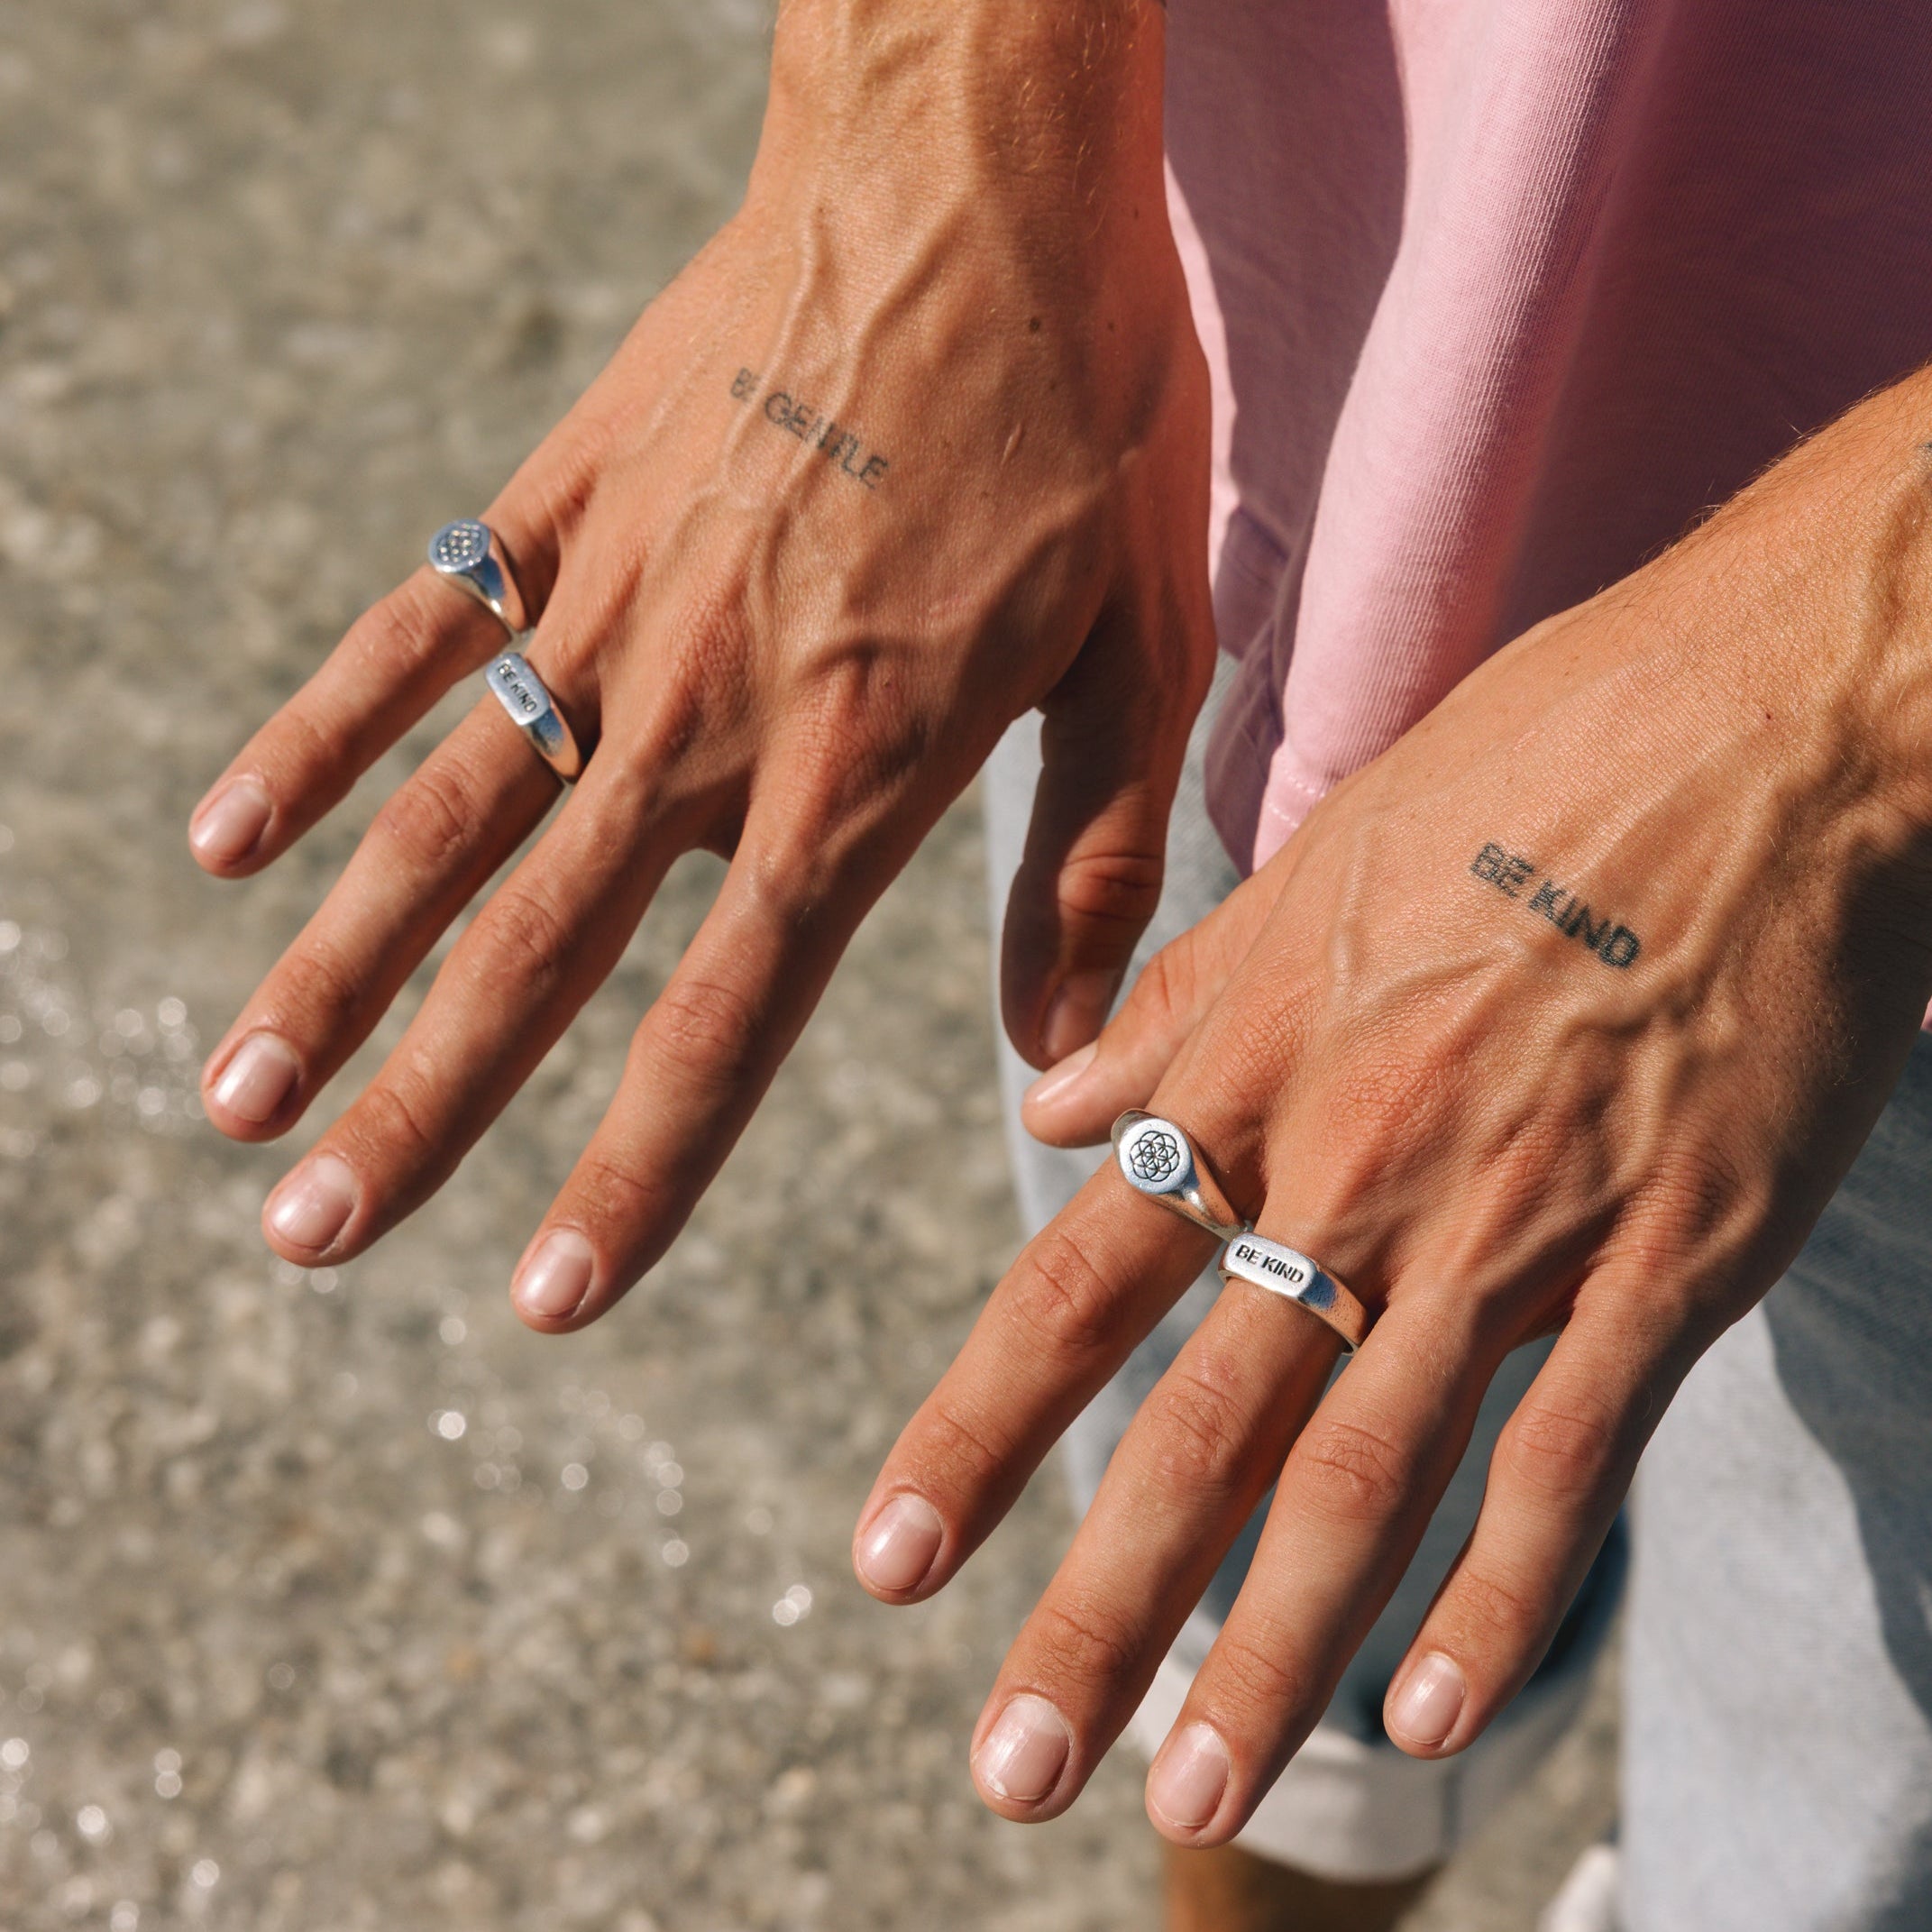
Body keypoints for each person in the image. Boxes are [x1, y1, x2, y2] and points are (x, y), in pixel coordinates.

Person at [187, 2, 1932, 1925]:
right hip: (1296, 364)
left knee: (1838, 1844)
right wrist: (936, 101)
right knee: (1245, 1566)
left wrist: (1858, 696)